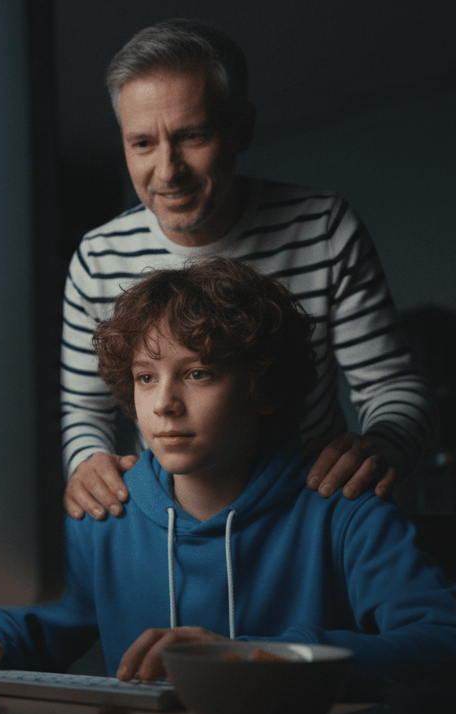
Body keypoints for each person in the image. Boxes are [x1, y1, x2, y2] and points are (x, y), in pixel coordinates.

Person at [0, 257, 456, 695]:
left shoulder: (341, 507)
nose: (163, 404)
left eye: (197, 374)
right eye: (146, 377)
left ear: (263, 385)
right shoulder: (108, 514)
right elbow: (24, 625)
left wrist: (255, 658)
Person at [63, 19, 432, 522]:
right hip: (171, 530)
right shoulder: (97, 256)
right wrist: (87, 465)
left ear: (243, 129)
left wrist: (382, 446)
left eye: (193, 135)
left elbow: (391, 386)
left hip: (309, 516)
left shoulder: (325, 227)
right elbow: (84, 411)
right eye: (142, 143)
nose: (168, 171)